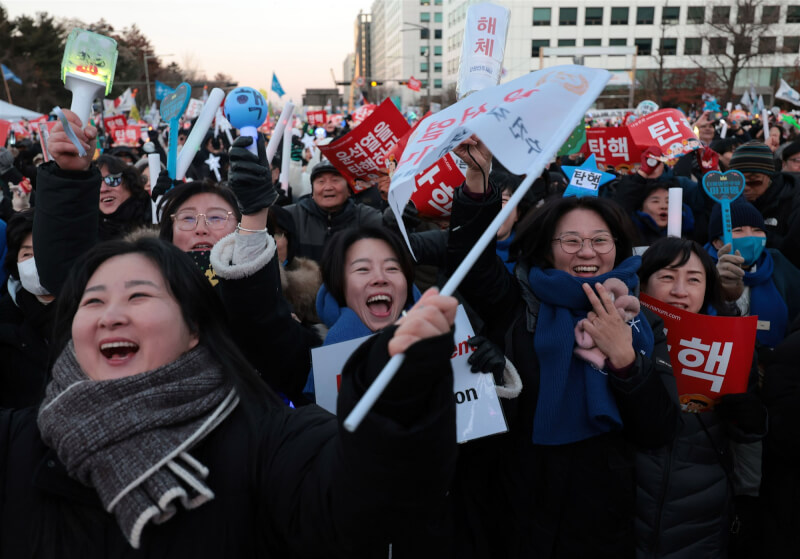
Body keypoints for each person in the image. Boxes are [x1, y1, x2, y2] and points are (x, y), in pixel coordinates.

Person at [0, 235, 459, 556]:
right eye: (93, 302)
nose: (111, 316)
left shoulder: (265, 439)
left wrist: (399, 390)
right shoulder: (19, 442)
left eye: (139, 297)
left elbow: (361, 502)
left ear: (195, 328)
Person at [446, 136, 679, 558]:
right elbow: (468, 257)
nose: (586, 252)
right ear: (547, 251)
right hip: (516, 499)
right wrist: (475, 182)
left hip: (600, 513)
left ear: (618, 247)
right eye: (570, 241)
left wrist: (624, 359)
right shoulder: (519, 301)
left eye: (599, 241)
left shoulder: (642, 317)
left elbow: (659, 430)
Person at [636, 236, 767, 558]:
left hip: (703, 515)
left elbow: (746, 439)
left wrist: (748, 416)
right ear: (643, 282)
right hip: (627, 506)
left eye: (694, 279)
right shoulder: (619, 334)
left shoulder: (730, 344)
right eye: (667, 277)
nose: (680, 290)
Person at [705, 199, 800, 350]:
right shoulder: (700, 268)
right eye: (738, 230)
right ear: (717, 242)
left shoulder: (777, 263)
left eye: (757, 230)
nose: (750, 237)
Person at [0, 209, 55, 408]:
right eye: (27, 254)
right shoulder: (5, 318)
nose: (36, 262)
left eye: (43, 251)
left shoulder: (88, 311)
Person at [285, 160, 383, 262]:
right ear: (312, 192)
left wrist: (390, 200)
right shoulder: (292, 216)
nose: (328, 187)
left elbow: (393, 226)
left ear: (349, 190)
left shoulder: (364, 217)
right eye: (321, 182)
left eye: (335, 180)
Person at [727, 141, 800, 268]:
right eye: (737, 182)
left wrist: (757, 234)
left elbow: (793, 252)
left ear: (770, 178)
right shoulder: (729, 200)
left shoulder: (794, 200)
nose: (745, 188)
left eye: (754, 182)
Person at [95, 154, 152, 240]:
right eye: (96, 183)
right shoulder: (84, 230)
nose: (103, 189)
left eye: (113, 180)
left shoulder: (156, 217)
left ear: (130, 183)